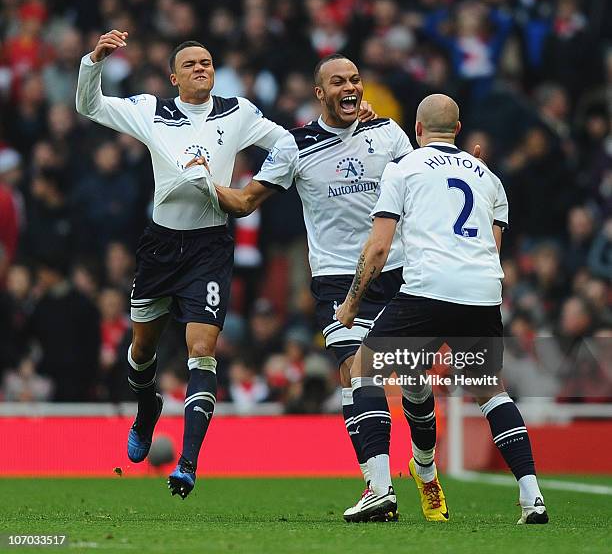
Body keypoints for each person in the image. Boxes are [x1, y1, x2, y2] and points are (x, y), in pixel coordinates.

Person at [75, 32, 374, 499]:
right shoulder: (152, 111)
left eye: (208, 62)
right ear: (174, 77)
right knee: (140, 353)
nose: (201, 68)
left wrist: (351, 124)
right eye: (191, 63)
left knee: (202, 350)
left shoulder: (238, 112)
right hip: (160, 247)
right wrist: (94, 61)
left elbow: (292, 143)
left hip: (209, 247)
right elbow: (89, 106)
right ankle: (147, 405)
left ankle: (188, 463)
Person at [215, 54, 453, 522]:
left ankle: (425, 473)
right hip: (336, 279)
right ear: (319, 93)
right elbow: (245, 202)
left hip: (399, 271)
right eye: (338, 81)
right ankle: (379, 488)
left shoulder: (387, 134)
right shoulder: (295, 146)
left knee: (414, 385)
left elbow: (424, 186)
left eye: (356, 80)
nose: (351, 87)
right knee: (355, 371)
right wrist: (200, 178)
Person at [336, 94, 548, 525]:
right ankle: (533, 499)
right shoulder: (488, 177)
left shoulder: (404, 169)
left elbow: (378, 248)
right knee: (491, 391)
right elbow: (492, 248)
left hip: (427, 289)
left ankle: (378, 490)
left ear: (417, 130)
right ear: (458, 128)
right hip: (482, 292)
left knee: (364, 370)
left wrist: (350, 303)